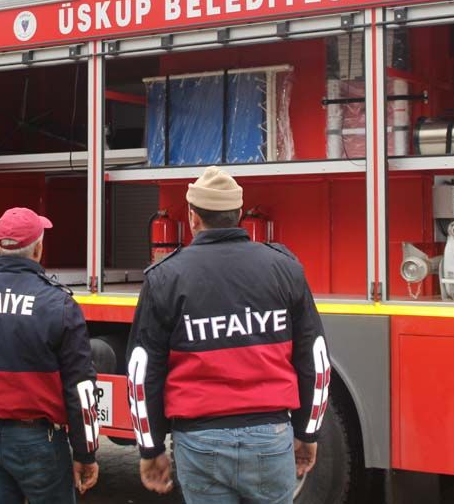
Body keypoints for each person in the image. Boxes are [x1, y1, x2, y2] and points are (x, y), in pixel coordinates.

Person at [127, 166, 328, 503]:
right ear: (238, 215)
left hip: (199, 441)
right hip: (270, 438)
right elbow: (315, 359)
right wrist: (308, 431)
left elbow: (142, 372)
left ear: (192, 218)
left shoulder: (165, 277)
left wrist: (151, 447)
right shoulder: (285, 269)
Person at [0, 207, 100, 504]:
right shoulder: (57, 303)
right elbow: (81, 387)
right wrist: (85, 451)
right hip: (38, 441)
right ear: (38, 249)